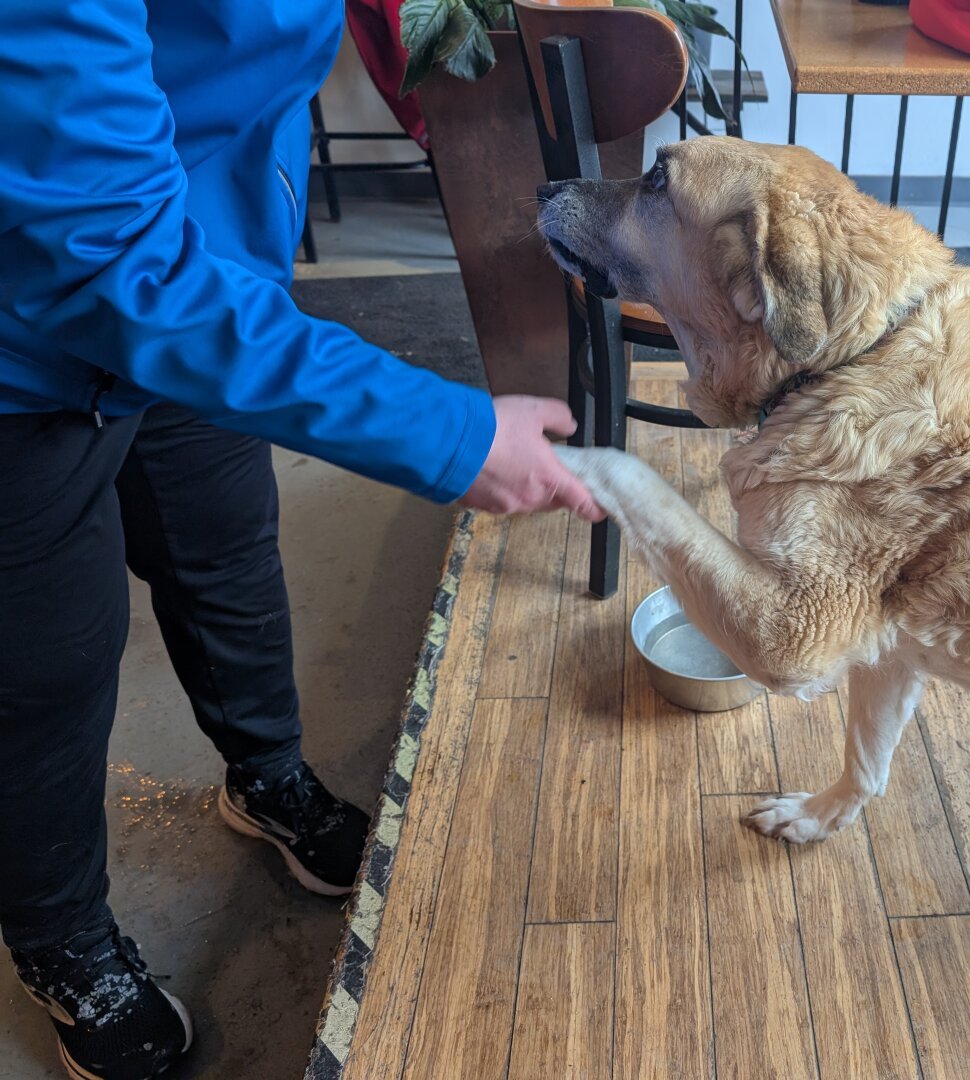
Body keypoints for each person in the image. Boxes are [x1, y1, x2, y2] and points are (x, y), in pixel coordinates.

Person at [0, 2, 601, 1077]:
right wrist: (448, 433)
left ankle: (264, 772)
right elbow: (106, 256)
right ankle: (63, 944)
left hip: (205, 268)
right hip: (31, 335)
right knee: (44, 671)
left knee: (224, 547)